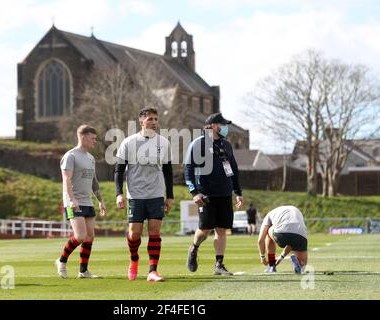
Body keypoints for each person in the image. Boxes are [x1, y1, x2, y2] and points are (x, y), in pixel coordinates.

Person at [115, 106, 174, 282]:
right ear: (141, 121)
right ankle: (134, 260)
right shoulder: (129, 142)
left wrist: (169, 196)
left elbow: (168, 171)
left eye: (156, 119)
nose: (154, 122)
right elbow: (119, 170)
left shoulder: (164, 143)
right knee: (134, 233)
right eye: (150, 119)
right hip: (135, 194)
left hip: (156, 193)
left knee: (154, 231)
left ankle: (152, 271)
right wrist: (119, 193)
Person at [185, 113, 243, 276]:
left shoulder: (227, 145)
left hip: (224, 193)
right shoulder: (198, 144)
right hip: (206, 194)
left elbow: (234, 170)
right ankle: (194, 248)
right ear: (212, 126)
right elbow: (188, 170)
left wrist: (238, 192)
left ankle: (219, 265)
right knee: (204, 230)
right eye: (222, 124)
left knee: (222, 230)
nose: (225, 128)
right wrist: (194, 192)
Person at [55, 124, 107, 279]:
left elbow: (94, 181)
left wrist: (100, 200)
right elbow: (66, 179)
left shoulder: (91, 158)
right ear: (83, 137)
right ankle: (61, 261)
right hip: (73, 202)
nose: (95, 141)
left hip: (87, 201)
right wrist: (71, 199)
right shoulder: (70, 156)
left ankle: (83, 271)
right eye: (92, 138)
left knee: (90, 236)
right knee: (80, 236)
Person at [257, 205, 308, 273]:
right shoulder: (294, 210)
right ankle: (300, 265)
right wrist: (281, 257)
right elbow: (291, 240)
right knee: (303, 264)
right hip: (301, 234)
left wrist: (262, 257)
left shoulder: (269, 215)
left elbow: (260, 240)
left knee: (268, 232)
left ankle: (271, 265)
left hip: (281, 233)